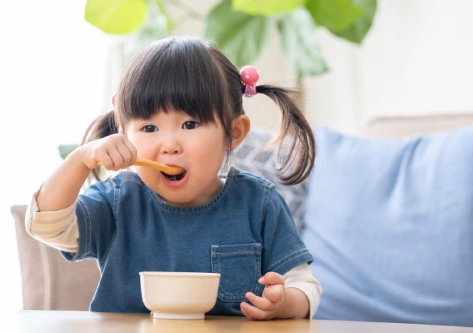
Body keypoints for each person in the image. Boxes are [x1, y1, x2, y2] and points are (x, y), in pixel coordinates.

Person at [26, 35, 321, 320]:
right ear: (124, 135)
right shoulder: (117, 201)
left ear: (234, 133)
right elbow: (47, 225)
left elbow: (304, 286)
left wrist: (282, 304)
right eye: (149, 128)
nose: (169, 145)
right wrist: (80, 159)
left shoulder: (259, 204)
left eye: (190, 124)